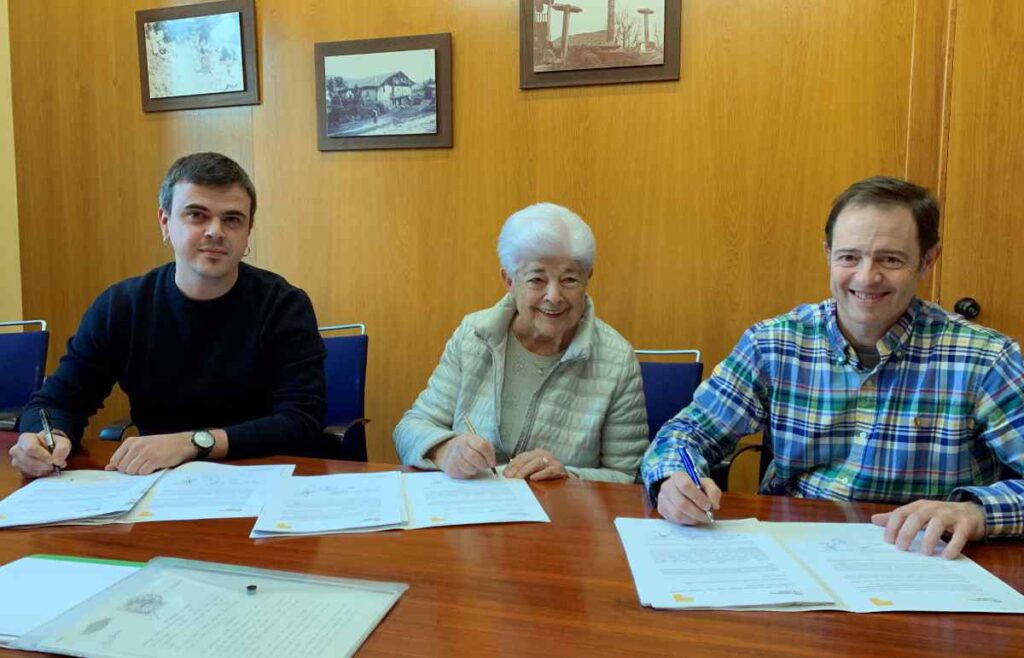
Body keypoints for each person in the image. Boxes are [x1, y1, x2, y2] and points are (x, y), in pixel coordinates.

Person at [642, 176, 1024, 559]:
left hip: (922, 557)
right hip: (795, 552)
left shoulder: (986, 358)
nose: (866, 277)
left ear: (928, 261)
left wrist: (976, 513)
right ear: (828, 254)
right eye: (849, 257)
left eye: (890, 259)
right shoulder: (774, 344)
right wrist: (672, 478)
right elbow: (686, 433)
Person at [10, 152, 326, 478]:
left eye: (232, 219)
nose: (215, 231)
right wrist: (47, 437)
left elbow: (302, 421)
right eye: (197, 215)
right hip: (157, 484)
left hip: (264, 477)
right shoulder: (122, 307)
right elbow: (55, 402)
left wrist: (193, 443)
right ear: (165, 222)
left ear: (247, 232)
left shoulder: (284, 305)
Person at [394, 202, 648, 483]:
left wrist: (569, 476)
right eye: (537, 279)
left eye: (569, 280)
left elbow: (628, 476)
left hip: (560, 508)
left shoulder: (616, 360)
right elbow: (411, 427)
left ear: (588, 278)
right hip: (471, 503)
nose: (554, 296)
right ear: (509, 280)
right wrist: (444, 449)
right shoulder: (473, 336)